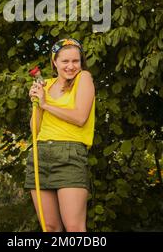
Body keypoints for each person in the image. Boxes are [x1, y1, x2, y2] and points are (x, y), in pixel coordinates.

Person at [24, 37, 95, 232]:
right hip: (40, 155)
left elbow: (80, 117)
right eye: (65, 61)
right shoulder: (44, 84)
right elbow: (35, 129)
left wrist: (47, 104)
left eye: (76, 61)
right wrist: (38, 102)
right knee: (50, 227)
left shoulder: (84, 78)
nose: (71, 66)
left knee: (74, 228)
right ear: (54, 62)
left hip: (70, 154)